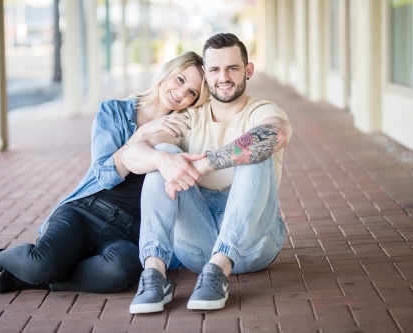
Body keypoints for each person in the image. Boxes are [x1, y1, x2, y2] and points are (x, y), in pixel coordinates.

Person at [0, 51, 209, 294]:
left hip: (130, 230)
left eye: (192, 92)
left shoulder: (185, 130)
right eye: (180, 79)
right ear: (166, 72)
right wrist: (142, 133)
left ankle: (34, 278)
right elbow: (105, 174)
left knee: (122, 271)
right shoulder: (113, 111)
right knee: (42, 263)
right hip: (86, 211)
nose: (181, 92)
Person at [122, 33, 293, 313]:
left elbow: (277, 132)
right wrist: (161, 159)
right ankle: (154, 274)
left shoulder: (262, 111)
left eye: (232, 68)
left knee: (254, 150)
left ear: (248, 71)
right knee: (164, 158)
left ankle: (219, 269)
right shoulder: (189, 118)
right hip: (198, 245)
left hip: (255, 244)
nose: (223, 77)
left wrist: (206, 163)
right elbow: (131, 154)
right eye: (215, 69)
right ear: (205, 74)